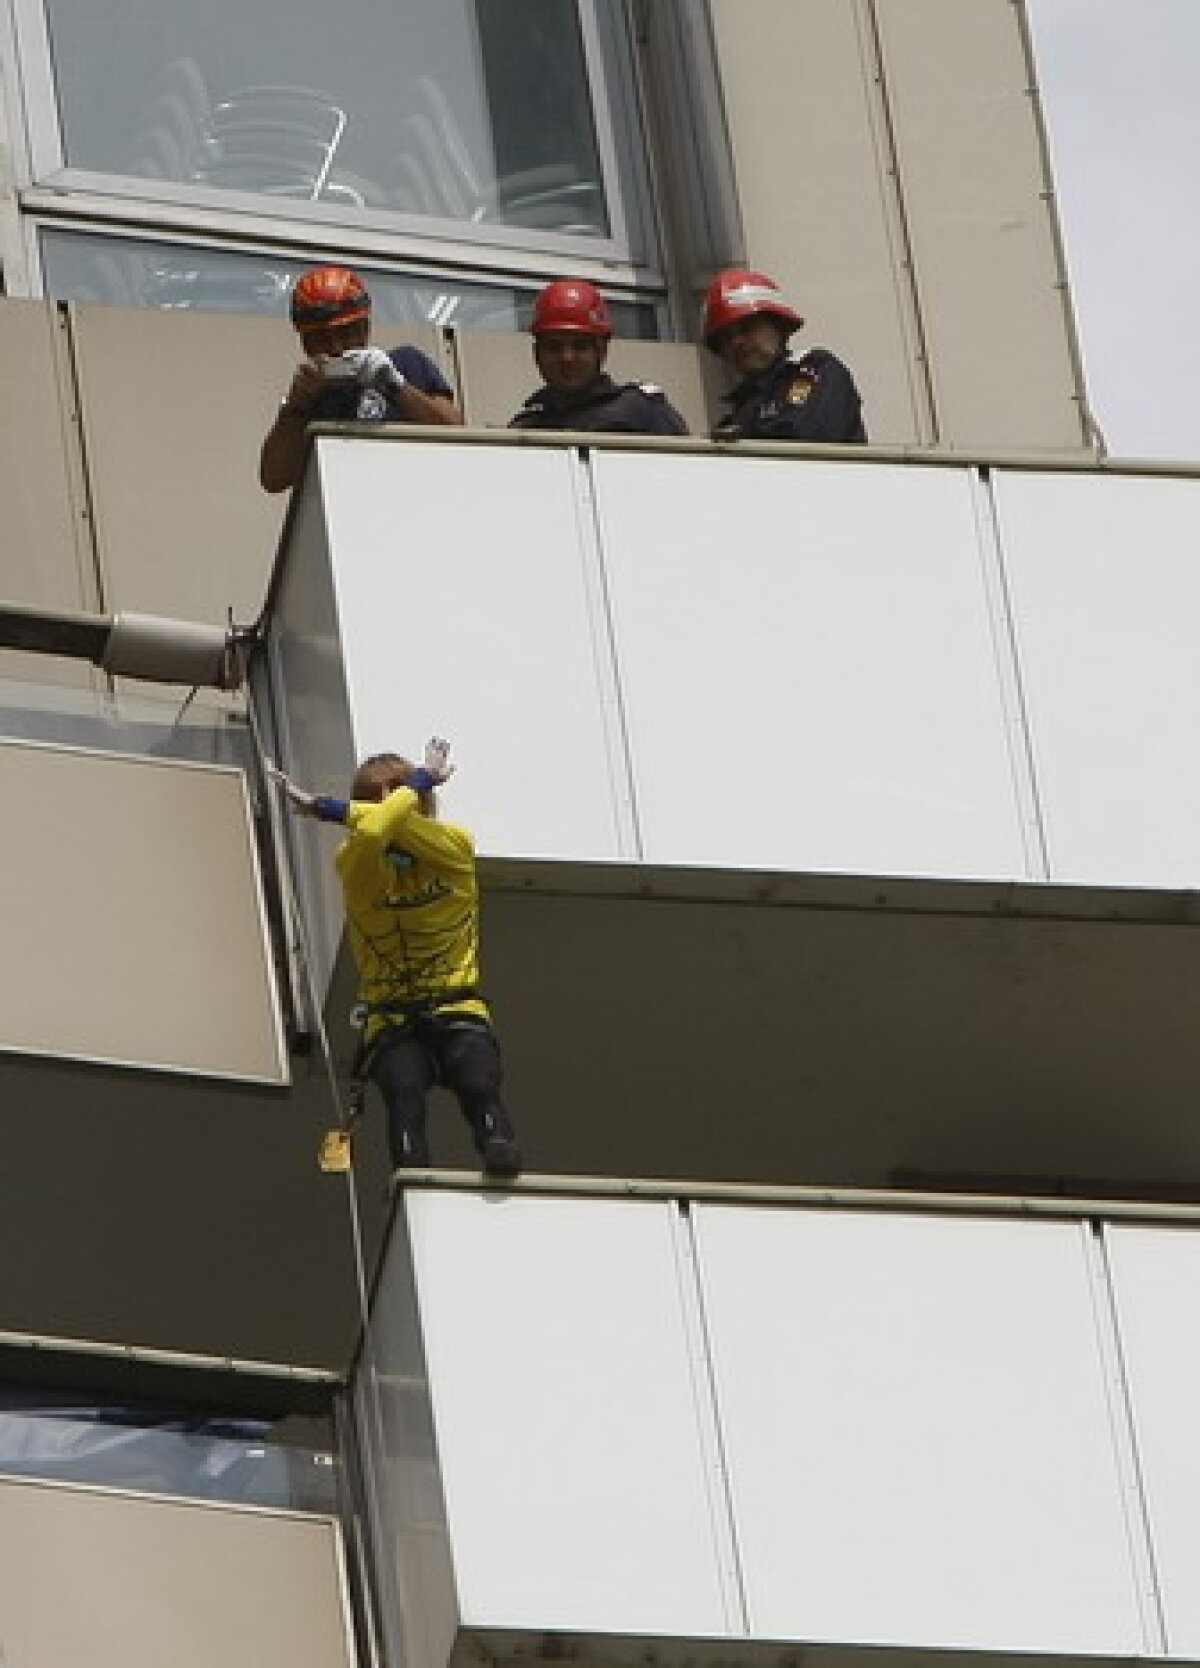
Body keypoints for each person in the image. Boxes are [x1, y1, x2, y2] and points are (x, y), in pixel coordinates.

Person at [272, 738, 521, 1179]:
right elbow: (373, 832)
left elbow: (388, 826)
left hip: (456, 1004)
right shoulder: (354, 860)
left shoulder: (454, 845)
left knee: (477, 1080)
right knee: (403, 1092)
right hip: (391, 1018)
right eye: (377, 798)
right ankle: (413, 1181)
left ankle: (499, 1151)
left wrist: (326, 807)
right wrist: (420, 780)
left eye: (398, 793)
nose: (389, 804)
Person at [259, 264, 464, 493]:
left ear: (365, 327)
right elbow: (273, 479)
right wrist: (295, 407)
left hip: (416, 493)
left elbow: (455, 429)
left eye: (345, 333)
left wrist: (395, 386)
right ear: (305, 343)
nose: (336, 348)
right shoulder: (310, 398)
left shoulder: (405, 362)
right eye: (321, 338)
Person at [702, 267, 867, 444]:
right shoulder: (741, 408)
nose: (737, 342)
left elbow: (805, 438)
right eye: (726, 337)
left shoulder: (817, 369)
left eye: (746, 328)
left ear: (779, 326)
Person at [509, 278, 689, 436]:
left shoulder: (643, 412)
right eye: (554, 347)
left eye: (580, 346)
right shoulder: (525, 427)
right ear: (536, 354)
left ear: (602, 351)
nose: (567, 358)